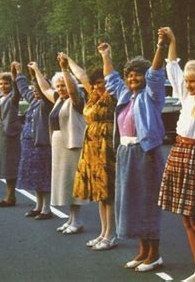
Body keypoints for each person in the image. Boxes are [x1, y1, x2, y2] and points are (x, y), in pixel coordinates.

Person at [157, 27, 195, 282]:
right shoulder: (185, 96)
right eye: (187, 81)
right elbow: (172, 68)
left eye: (193, 81)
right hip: (179, 153)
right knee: (187, 219)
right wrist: (172, 40)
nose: (188, 85)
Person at [103, 39, 166, 272]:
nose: (132, 79)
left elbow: (156, 74)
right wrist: (106, 56)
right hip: (125, 152)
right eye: (130, 75)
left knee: (148, 202)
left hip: (145, 153)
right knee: (131, 202)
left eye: (137, 75)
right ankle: (142, 251)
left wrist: (160, 46)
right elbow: (111, 80)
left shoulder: (151, 95)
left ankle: (155, 254)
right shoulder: (125, 95)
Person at [29, 55, 87, 234]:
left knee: (73, 183)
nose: (61, 88)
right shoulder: (59, 100)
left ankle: (76, 221)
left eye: (63, 85)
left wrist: (64, 69)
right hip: (59, 146)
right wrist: (36, 70)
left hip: (71, 146)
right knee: (64, 184)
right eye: (58, 86)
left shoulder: (76, 100)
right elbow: (45, 88)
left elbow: (72, 90)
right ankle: (70, 220)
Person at [66, 53, 117, 250]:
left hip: (106, 146)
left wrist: (105, 56)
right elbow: (80, 76)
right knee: (99, 193)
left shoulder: (111, 95)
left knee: (108, 192)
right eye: (95, 83)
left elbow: (106, 75)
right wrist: (68, 61)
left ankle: (110, 235)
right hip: (91, 146)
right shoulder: (92, 97)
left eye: (101, 82)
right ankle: (103, 233)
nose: (97, 86)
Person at [13, 61, 53, 220]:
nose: (35, 91)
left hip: (42, 145)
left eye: (38, 89)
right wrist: (18, 73)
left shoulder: (47, 103)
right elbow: (23, 89)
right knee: (35, 177)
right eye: (34, 89)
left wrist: (36, 71)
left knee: (43, 177)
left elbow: (44, 92)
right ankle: (38, 206)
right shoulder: (34, 101)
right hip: (29, 144)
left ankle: (46, 209)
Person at [0, 68, 22, 207]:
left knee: (9, 165)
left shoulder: (12, 98)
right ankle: (9, 195)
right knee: (3, 165)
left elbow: (17, 92)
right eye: (1, 84)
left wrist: (15, 77)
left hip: (8, 133)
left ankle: (10, 196)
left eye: (6, 84)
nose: (3, 86)